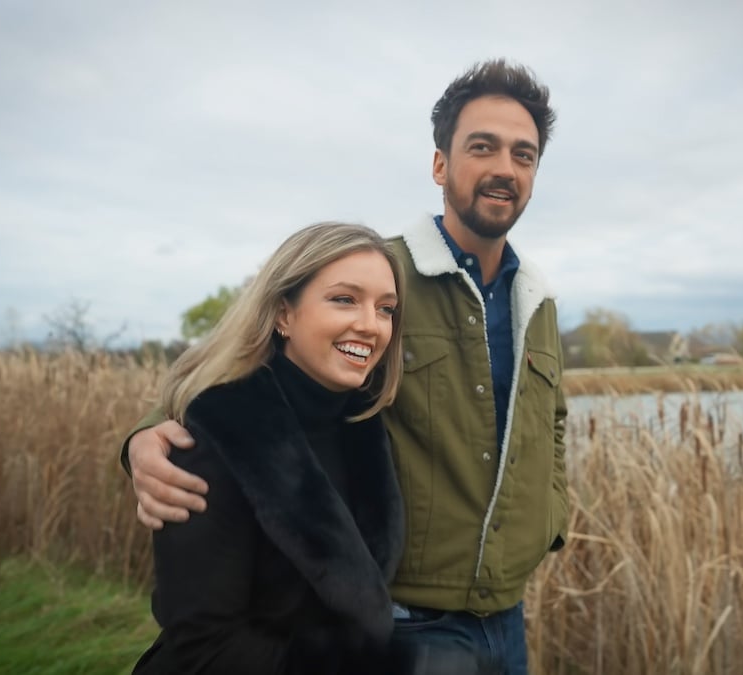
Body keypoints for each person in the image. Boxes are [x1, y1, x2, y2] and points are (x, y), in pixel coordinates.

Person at [125, 60, 567, 675]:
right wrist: (146, 435)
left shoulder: (536, 301)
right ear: (441, 165)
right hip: (410, 620)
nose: (504, 168)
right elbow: (238, 359)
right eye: (482, 147)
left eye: (524, 154)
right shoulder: (375, 273)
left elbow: (553, 426)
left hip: (508, 616)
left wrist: (551, 518)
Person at [131, 222, 409, 674]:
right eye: (344, 299)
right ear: (284, 314)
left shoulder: (364, 424)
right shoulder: (215, 434)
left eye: (386, 308)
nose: (370, 324)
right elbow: (204, 645)